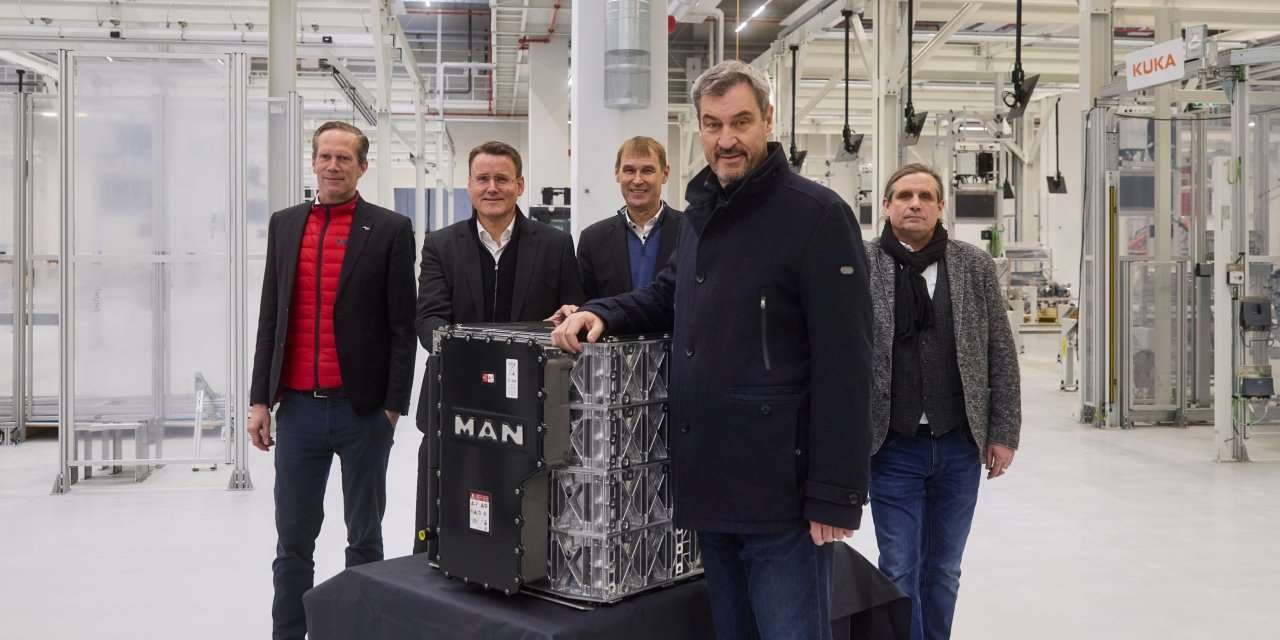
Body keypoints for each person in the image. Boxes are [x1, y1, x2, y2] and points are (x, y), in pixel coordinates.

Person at [551, 60, 872, 640]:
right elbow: (668, 293)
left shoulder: (818, 216)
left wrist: (835, 494)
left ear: (768, 120)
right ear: (698, 128)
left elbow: (847, 362)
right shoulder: (702, 215)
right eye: (713, 124)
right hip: (709, 483)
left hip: (781, 493)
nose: (727, 139)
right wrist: (602, 311)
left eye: (741, 122)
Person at [247, 121, 417, 640]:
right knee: (293, 541)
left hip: (361, 411)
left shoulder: (389, 229)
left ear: (362, 167)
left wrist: (391, 409)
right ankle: (288, 634)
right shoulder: (285, 225)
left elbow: (402, 326)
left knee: (364, 538)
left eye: (345, 158)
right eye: (325, 156)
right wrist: (260, 400)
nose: (333, 166)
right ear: (314, 162)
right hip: (298, 410)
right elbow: (271, 317)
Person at [865, 163, 1022, 640]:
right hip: (891, 445)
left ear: (940, 207)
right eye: (904, 196)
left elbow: (1000, 350)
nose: (914, 204)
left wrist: (1003, 433)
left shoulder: (973, 266)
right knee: (898, 567)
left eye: (925, 196)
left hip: (958, 444)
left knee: (945, 569)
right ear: (886, 206)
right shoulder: (861, 264)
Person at [411, 140, 585, 551]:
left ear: (519, 185)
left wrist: (565, 318)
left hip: (531, 406)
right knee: (444, 515)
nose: (492, 187)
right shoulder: (440, 245)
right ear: (469, 185)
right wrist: (485, 360)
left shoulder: (555, 245)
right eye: (483, 178)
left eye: (502, 179)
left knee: (525, 518)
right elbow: (429, 321)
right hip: (453, 401)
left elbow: (571, 315)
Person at [577, 136, 684, 299]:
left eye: (647, 171)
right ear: (617, 174)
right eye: (629, 170)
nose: (637, 180)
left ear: (665, 174)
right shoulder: (593, 240)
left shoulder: (691, 231)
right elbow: (584, 304)